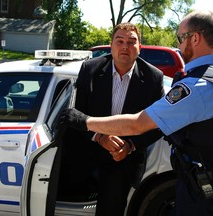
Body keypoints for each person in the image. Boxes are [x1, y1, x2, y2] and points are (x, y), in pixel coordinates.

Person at [61, 10, 213, 215]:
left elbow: (138, 124)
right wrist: (100, 136)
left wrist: (85, 121)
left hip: (200, 184)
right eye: (119, 41)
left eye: (180, 38)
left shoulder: (196, 86)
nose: (178, 44)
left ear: (195, 38)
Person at [68, 22, 164, 216]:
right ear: (111, 45)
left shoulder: (153, 78)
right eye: (119, 41)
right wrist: (100, 137)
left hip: (125, 157)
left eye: (131, 42)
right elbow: (76, 115)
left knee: (112, 203)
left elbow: (158, 125)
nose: (125, 47)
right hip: (91, 149)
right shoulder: (90, 70)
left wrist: (129, 146)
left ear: (140, 47)